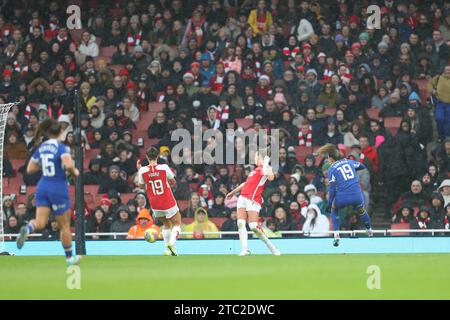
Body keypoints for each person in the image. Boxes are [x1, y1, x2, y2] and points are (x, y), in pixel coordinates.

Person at [16, 118, 81, 266]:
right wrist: (74, 171)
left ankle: (27, 228)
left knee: (40, 222)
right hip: (57, 186)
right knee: (64, 225)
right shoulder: (61, 147)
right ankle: (70, 258)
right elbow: (68, 164)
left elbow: (30, 169)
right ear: (60, 132)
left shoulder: (41, 147)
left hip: (43, 185)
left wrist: (46, 165)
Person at [226, 149, 280, 256]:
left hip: (253, 199)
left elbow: (271, 178)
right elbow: (245, 184)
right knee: (240, 223)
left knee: (253, 226)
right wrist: (232, 192)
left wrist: (266, 163)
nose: (254, 158)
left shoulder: (265, 168)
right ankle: (245, 250)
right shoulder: (254, 170)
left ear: (260, 157)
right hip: (242, 198)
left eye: (255, 156)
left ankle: (272, 247)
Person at [317, 144, 373, 247]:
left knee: (334, 209)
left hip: (343, 196)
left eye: (329, 159)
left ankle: (336, 234)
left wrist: (330, 203)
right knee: (361, 210)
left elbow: (333, 188)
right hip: (357, 195)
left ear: (331, 159)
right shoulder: (349, 162)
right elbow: (362, 166)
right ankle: (369, 229)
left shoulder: (332, 169)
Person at [136, 147, 182, 256]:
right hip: (167, 200)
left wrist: (140, 171)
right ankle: (171, 243)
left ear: (147, 157)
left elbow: (141, 186)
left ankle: (166, 250)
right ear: (157, 156)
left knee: (165, 223)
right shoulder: (164, 167)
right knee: (177, 222)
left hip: (155, 202)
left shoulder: (142, 170)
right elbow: (174, 182)